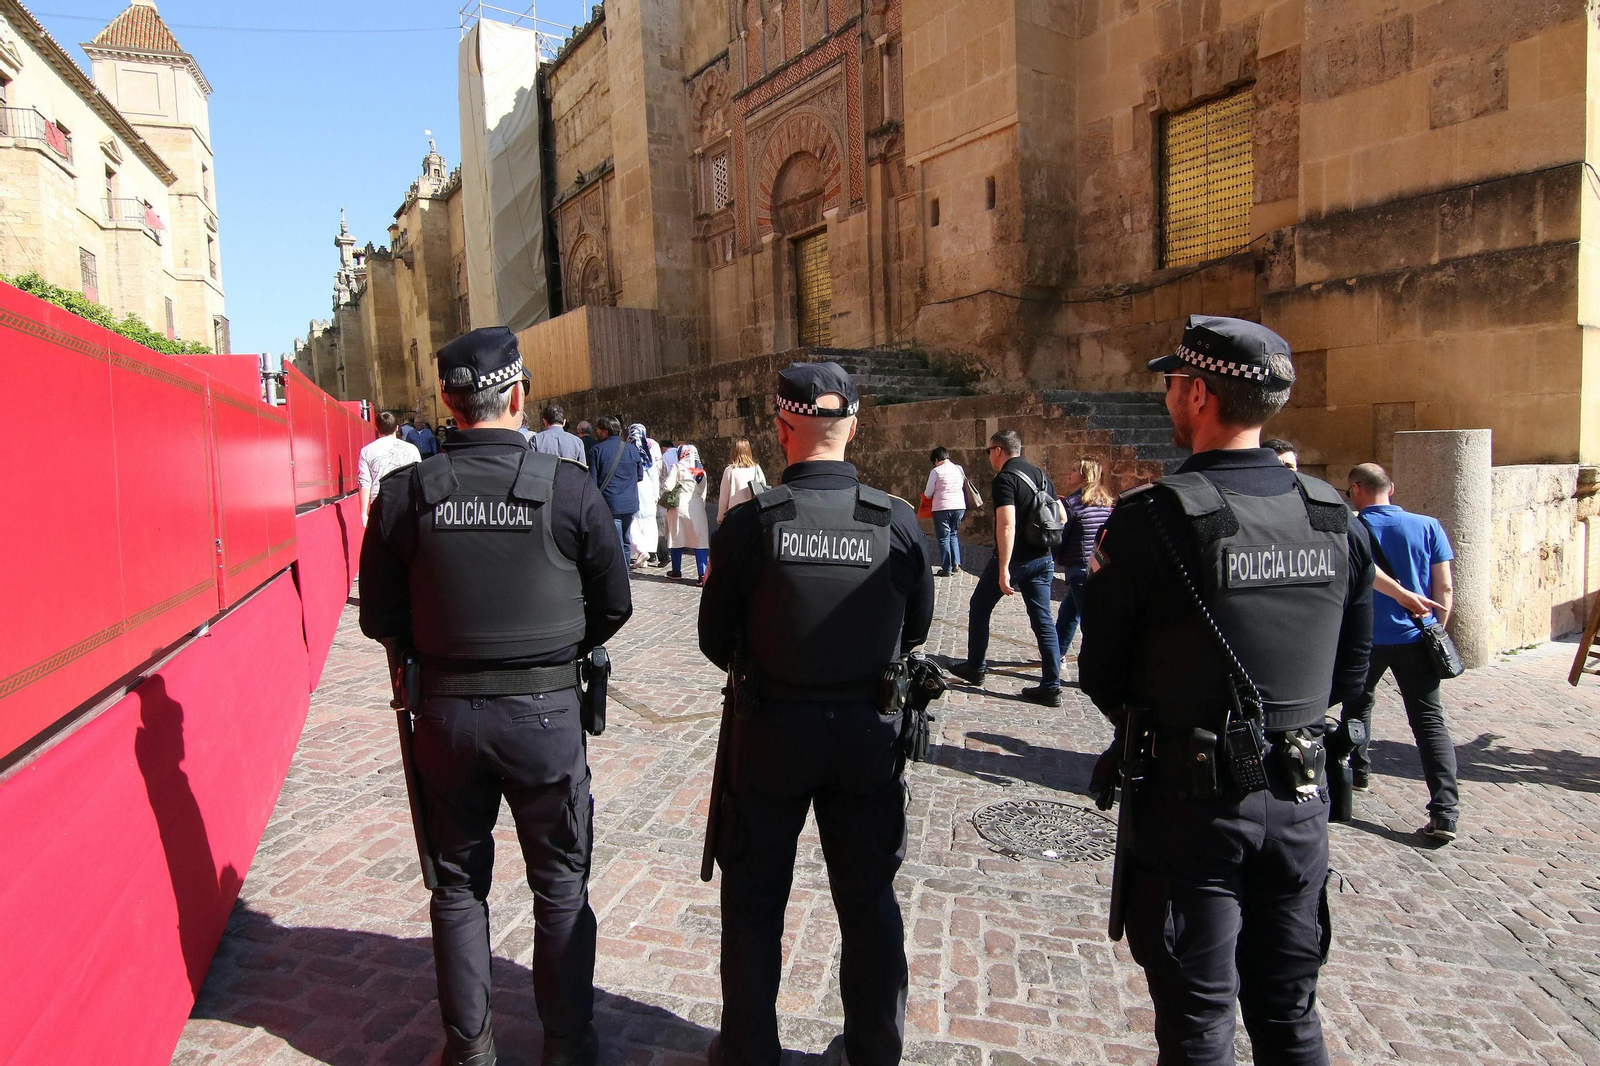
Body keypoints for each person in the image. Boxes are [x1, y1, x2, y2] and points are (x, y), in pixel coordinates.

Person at [1080, 315, 1374, 1066]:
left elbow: (1103, 676)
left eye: (1173, 384)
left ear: (1201, 394)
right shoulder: (1335, 516)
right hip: (1303, 798)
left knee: (1199, 1027)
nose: (1168, 399)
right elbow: (1350, 671)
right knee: (1289, 1016)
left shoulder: (1154, 519)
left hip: (1195, 807)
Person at [358, 326, 631, 1066]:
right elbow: (614, 604)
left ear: (447, 400)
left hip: (444, 714)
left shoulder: (405, 494)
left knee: (455, 888)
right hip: (545, 716)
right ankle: (567, 1047)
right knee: (560, 886)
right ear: (519, 394)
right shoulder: (568, 487)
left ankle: (470, 1051)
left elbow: (378, 619)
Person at [697, 361, 934, 1066]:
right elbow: (915, 627)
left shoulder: (753, 523)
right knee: (869, 903)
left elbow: (715, 639)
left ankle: (748, 1049)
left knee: (754, 899)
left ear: (781, 427)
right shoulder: (894, 522)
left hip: (770, 730)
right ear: (854, 426)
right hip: (867, 733)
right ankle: (874, 1049)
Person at [1343, 462, 1461, 841]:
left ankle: (1356, 771)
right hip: (1415, 637)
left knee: (1356, 705)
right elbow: (1443, 590)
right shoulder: (1428, 526)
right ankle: (1445, 811)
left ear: (1356, 488)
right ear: (1390, 489)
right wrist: (1434, 630)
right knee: (1429, 723)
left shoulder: (1353, 527)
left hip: (1366, 638)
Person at [947, 431, 1064, 707]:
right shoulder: (1040, 475)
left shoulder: (1005, 480)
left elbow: (1007, 525)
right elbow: (1061, 515)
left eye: (988, 451)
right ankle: (1052, 686)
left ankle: (976, 666)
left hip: (1017, 559)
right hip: (1043, 558)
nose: (988, 456)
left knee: (979, 605)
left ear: (999, 450)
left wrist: (1003, 568)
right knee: (1043, 621)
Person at [1053, 456, 1115, 660]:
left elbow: (1061, 537)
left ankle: (1100, 660)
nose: (1068, 473)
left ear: (1084, 476)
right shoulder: (1105, 503)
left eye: (1073, 470)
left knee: (1088, 617)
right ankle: (1057, 652)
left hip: (1079, 566)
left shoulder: (1071, 504)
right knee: (1069, 610)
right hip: (1099, 562)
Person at [587, 416, 645, 562]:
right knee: (625, 542)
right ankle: (625, 575)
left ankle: (620, 578)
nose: (596, 432)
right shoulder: (632, 449)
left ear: (605, 432)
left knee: (616, 542)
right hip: (630, 503)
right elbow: (640, 476)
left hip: (609, 503)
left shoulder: (596, 450)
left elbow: (592, 481)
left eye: (598, 430)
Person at [358, 411, 422, 527]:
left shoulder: (367, 451)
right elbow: (419, 478)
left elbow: (365, 482)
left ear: (376, 427)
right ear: (397, 427)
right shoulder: (412, 449)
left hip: (379, 501)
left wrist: (363, 513)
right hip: (407, 501)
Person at [663, 443, 711, 581]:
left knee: (676, 537)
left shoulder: (677, 467)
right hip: (696, 507)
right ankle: (702, 574)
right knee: (699, 540)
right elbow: (703, 492)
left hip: (678, 506)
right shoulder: (701, 471)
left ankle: (676, 571)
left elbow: (668, 486)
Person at [923, 446, 967, 576]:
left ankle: (946, 568)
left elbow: (928, 493)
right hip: (959, 506)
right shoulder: (959, 469)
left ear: (936, 459)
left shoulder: (936, 471)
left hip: (942, 507)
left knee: (943, 538)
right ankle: (956, 563)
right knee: (953, 534)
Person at [628, 423, 663, 568]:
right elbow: (654, 475)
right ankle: (643, 553)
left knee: (632, 522)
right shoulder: (648, 454)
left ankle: (640, 551)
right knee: (646, 522)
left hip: (634, 489)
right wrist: (656, 494)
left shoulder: (628, 451)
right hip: (648, 490)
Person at [717, 438, 768, 523]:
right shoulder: (756, 469)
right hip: (753, 513)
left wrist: (720, 517)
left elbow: (724, 496)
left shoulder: (730, 470)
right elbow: (763, 489)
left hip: (734, 514)